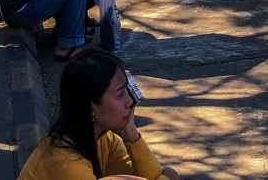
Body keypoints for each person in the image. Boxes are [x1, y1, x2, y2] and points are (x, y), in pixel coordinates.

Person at [18, 49, 180, 180]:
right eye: (119, 94)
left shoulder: (103, 138)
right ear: (90, 107)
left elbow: (147, 175)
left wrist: (132, 137)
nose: (130, 101)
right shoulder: (67, 164)